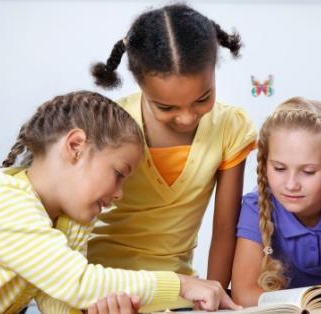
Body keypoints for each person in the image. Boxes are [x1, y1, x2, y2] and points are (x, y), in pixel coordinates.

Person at [0, 91, 238, 313]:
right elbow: (78, 283)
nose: (119, 194)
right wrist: (182, 285)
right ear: (76, 146)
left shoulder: (70, 221)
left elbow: (60, 304)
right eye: (119, 174)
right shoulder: (6, 200)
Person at [87, 3, 256, 310]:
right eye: (166, 107)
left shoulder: (230, 127)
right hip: (101, 287)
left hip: (178, 291)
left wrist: (211, 298)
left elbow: (223, 228)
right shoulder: (110, 124)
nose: (187, 118)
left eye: (203, 98)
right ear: (140, 84)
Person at [231, 97, 321, 307]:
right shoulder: (256, 206)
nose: (291, 185)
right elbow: (244, 294)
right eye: (279, 168)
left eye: (308, 172)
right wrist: (301, 304)